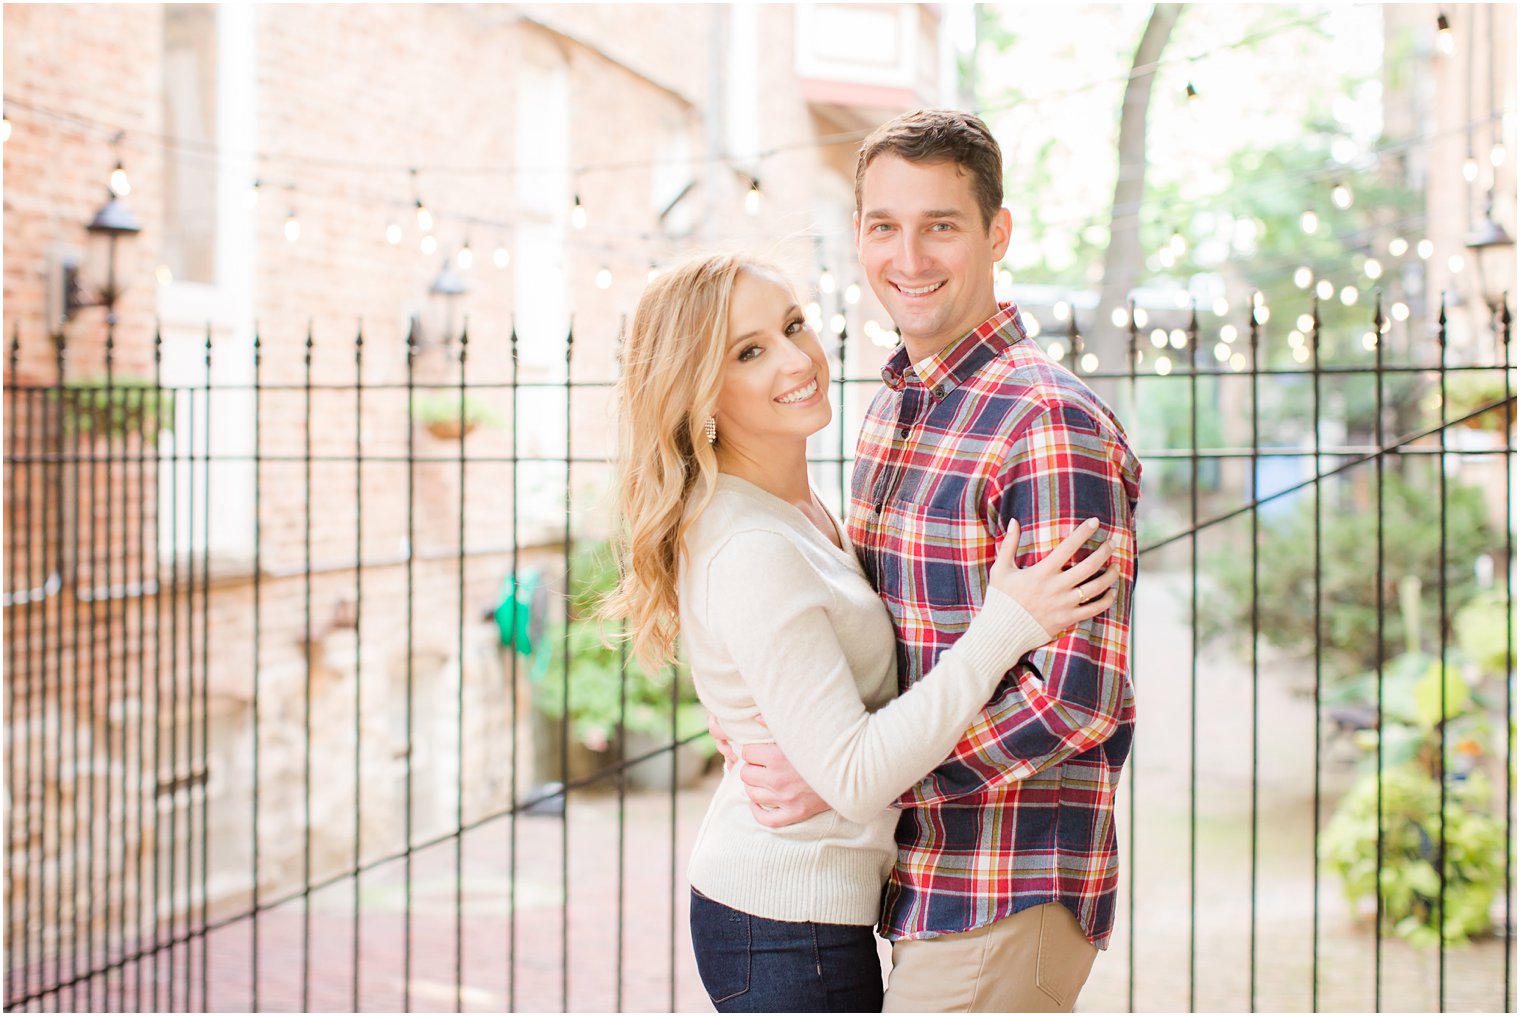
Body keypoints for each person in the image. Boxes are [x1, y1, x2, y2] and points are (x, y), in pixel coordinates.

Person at [603, 251, 1121, 1013]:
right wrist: (1004, 627)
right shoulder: (751, 546)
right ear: (701, 394)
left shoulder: (798, 508)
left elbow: (832, 738)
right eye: (749, 352)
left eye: (791, 326)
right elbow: (852, 776)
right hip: (781, 922)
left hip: (814, 910)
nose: (795, 358)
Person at [714, 108, 1143, 1013]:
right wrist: (801, 734)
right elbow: (863, 637)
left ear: (996, 232)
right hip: (913, 886)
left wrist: (858, 784)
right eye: (884, 226)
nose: (908, 257)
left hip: (1004, 886)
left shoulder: (1046, 426)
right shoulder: (889, 414)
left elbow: (1076, 698)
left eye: (940, 225)